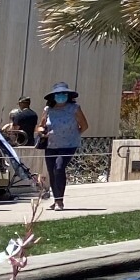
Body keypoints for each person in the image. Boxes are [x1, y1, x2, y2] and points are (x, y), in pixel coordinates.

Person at [34, 82, 87, 210]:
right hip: (51, 145)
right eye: (58, 94)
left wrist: (73, 135)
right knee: (52, 172)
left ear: (68, 96)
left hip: (68, 145)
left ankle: (60, 201)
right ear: (53, 96)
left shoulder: (74, 108)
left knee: (59, 168)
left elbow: (84, 126)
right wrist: (41, 131)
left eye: (63, 94)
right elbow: (40, 126)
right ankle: (56, 199)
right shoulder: (48, 110)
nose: (61, 96)